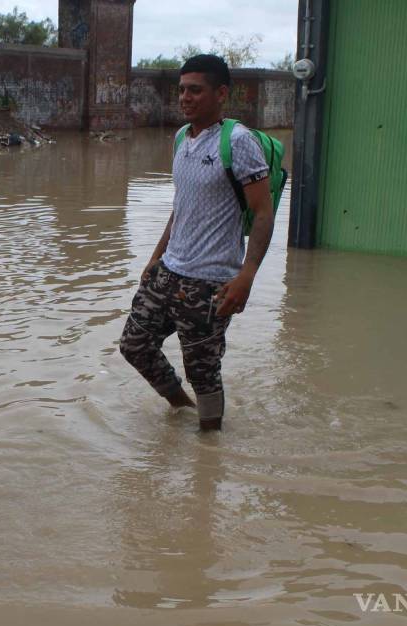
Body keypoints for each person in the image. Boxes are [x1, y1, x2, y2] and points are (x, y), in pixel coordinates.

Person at [119, 54, 276, 432]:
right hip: (169, 271)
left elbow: (264, 213)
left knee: (203, 373)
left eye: (195, 90)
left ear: (221, 93)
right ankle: (182, 409)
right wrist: (155, 258)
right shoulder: (180, 139)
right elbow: (181, 208)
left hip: (210, 282)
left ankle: (209, 453)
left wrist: (246, 276)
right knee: (134, 345)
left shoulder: (238, 142)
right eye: (182, 90)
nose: (185, 98)